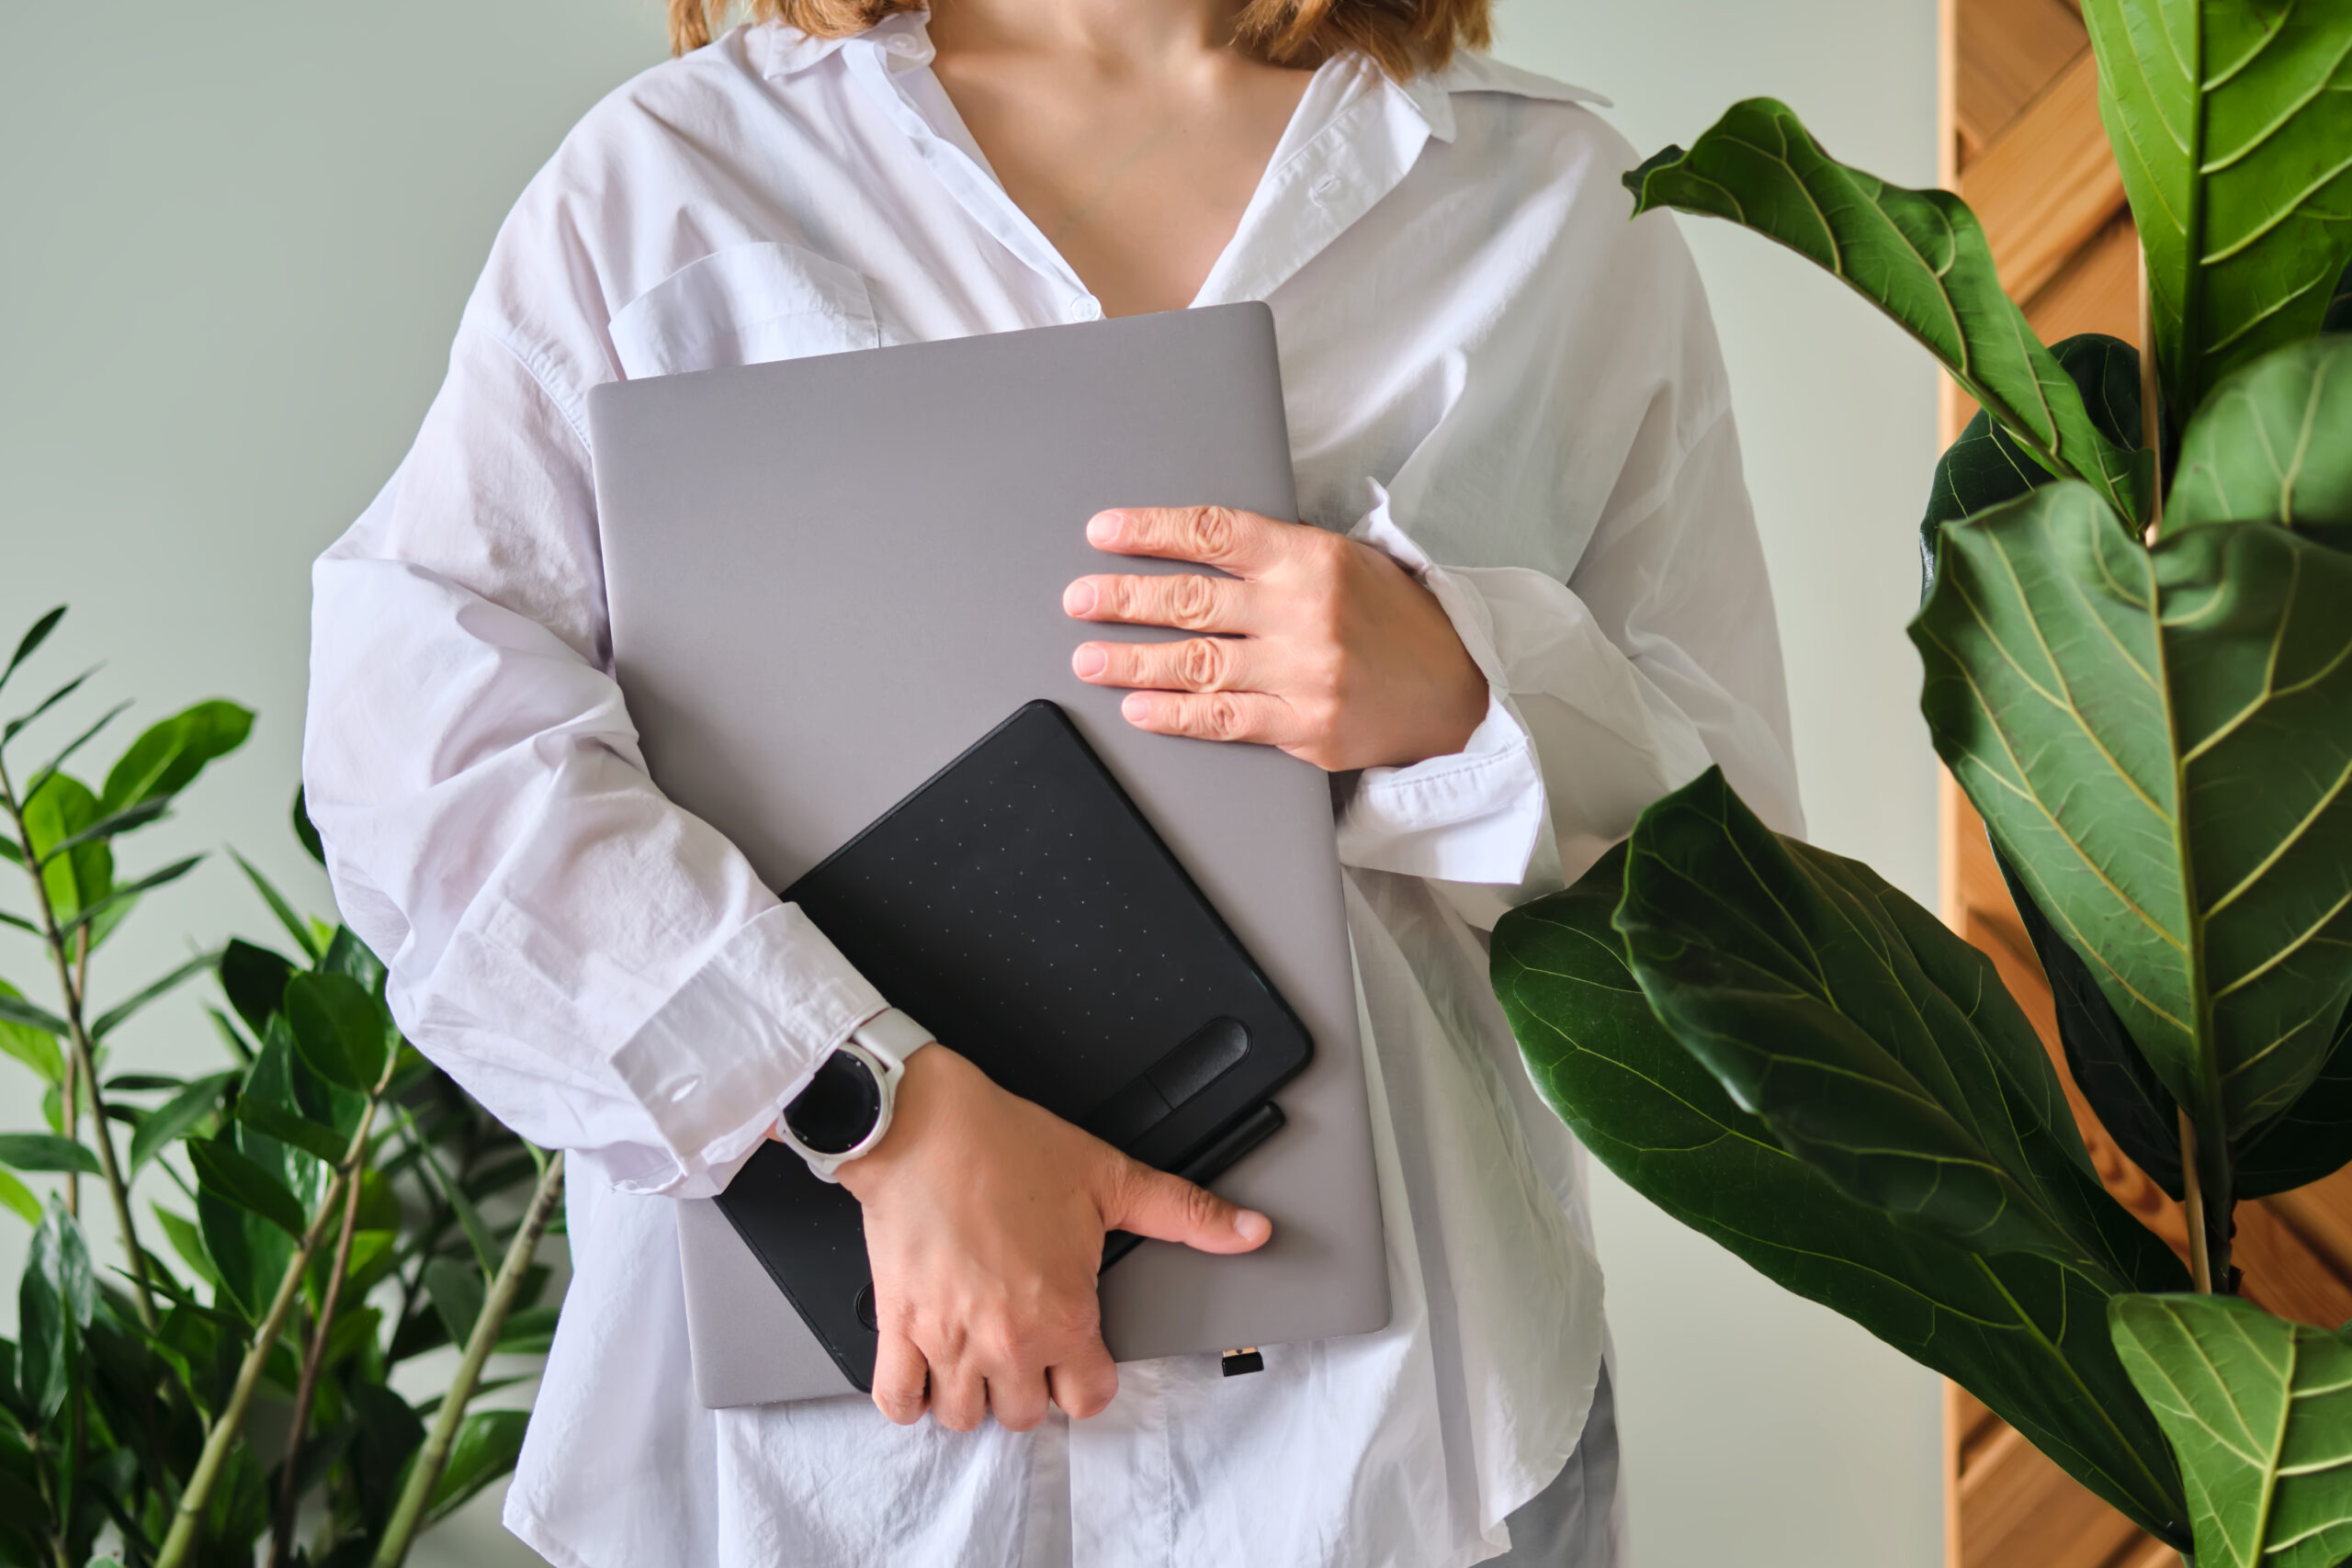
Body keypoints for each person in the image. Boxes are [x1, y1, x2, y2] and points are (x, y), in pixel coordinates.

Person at [301, 0, 1804, 1561]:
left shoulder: (1552, 203)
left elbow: (1752, 894)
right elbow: (415, 747)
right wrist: (858, 1100)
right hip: (838, 1480)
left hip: (1408, 1459)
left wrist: (1464, 692)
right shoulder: (672, 177)